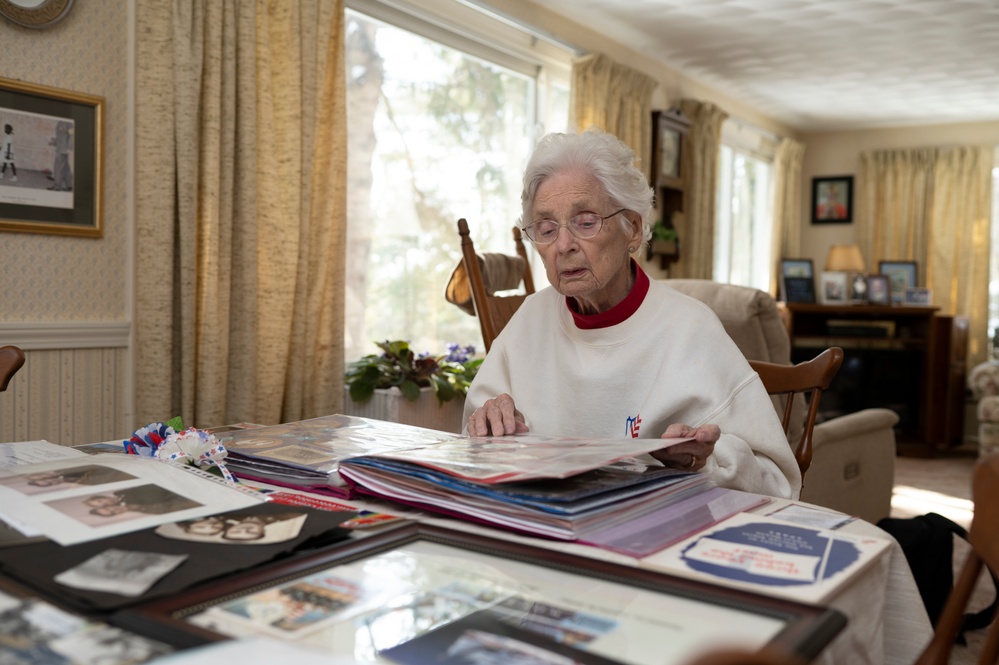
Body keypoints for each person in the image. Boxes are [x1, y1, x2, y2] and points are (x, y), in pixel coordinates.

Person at [463, 129, 800, 499]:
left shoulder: (691, 328)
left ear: (633, 230)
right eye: (546, 228)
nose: (563, 245)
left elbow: (778, 482)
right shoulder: (529, 320)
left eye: (585, 221)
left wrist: (705, 462)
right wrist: (487, 422)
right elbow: (473, 439)